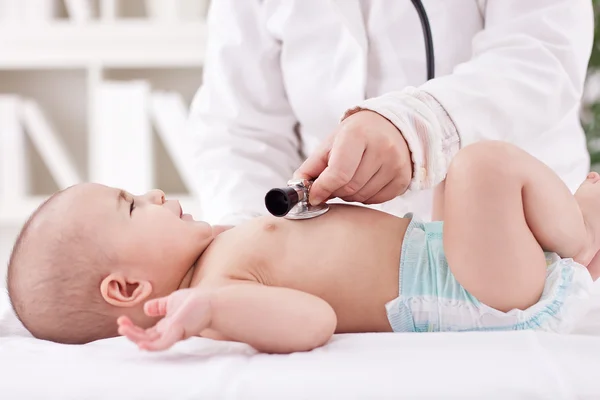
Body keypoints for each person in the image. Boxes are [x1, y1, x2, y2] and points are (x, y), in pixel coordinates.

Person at [6, 142, 597, 352]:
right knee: (479, 166)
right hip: (470, 294)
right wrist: (210, 311)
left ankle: (574, 236)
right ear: (129, 288)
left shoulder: (220, 249)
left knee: (446, 173)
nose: (157, 193)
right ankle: (580, 247)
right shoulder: (217, 296)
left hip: (455, 258)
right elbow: (315, 321)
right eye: (133, 205)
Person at [189, 1, 594, 225]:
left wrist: (413, 128)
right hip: (351, 276)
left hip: (525, 237)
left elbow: (540, 57)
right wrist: (250, 241)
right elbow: (239, 131)